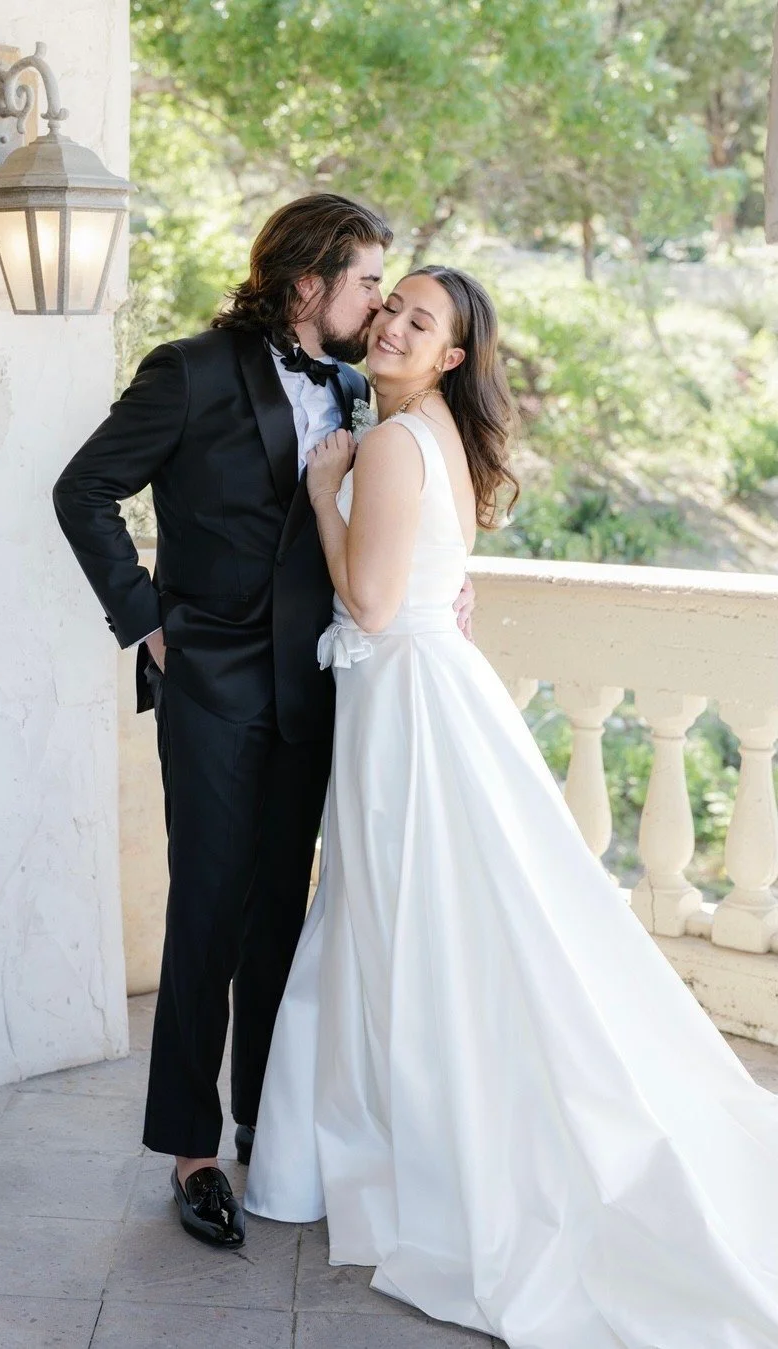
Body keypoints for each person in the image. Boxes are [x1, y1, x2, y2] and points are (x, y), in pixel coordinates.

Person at [244, 264, 778, 1345]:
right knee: (444, 919)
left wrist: (321, 490)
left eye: (419, 320)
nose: (392, 321)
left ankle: (419, 1146)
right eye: (389, 304)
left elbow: (375, 599)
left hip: (409, 705)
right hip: (427, 690)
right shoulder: (431, 430)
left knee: (416, 920)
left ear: (449, 356)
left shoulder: (389, 442)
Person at [53, 197, 478, 1248]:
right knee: (206, 909)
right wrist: (147, 620)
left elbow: (379, 525)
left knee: (283, 921)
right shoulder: (187, 371)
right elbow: (85, 488)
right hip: (211, 687)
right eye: (368, 281)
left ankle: (266, 1128)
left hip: (319, 690)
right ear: (308, 281)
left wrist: (442, 588)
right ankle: (193, 1151)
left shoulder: (350, 388)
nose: (379, 302)